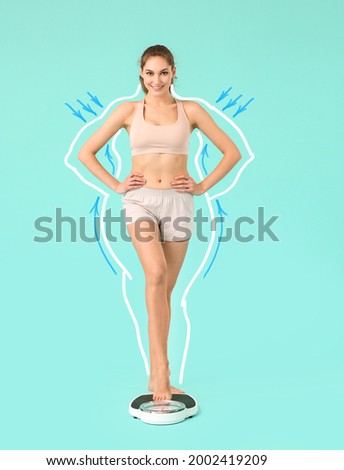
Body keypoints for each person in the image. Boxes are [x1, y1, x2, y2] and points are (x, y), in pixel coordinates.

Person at [78, 44, 242, 401]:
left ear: (173, 73)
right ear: (141, 74)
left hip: (180, 203)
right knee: (155, 275)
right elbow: (85, 152)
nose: (156, 80)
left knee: (164, 292)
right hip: (140, 201)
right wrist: (117, 185)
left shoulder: (191, 111)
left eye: (163, 73)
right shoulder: (127, 111)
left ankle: (158, 375)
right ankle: (161, 370)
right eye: (149, 73)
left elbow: (233, 152)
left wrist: (200, 186)